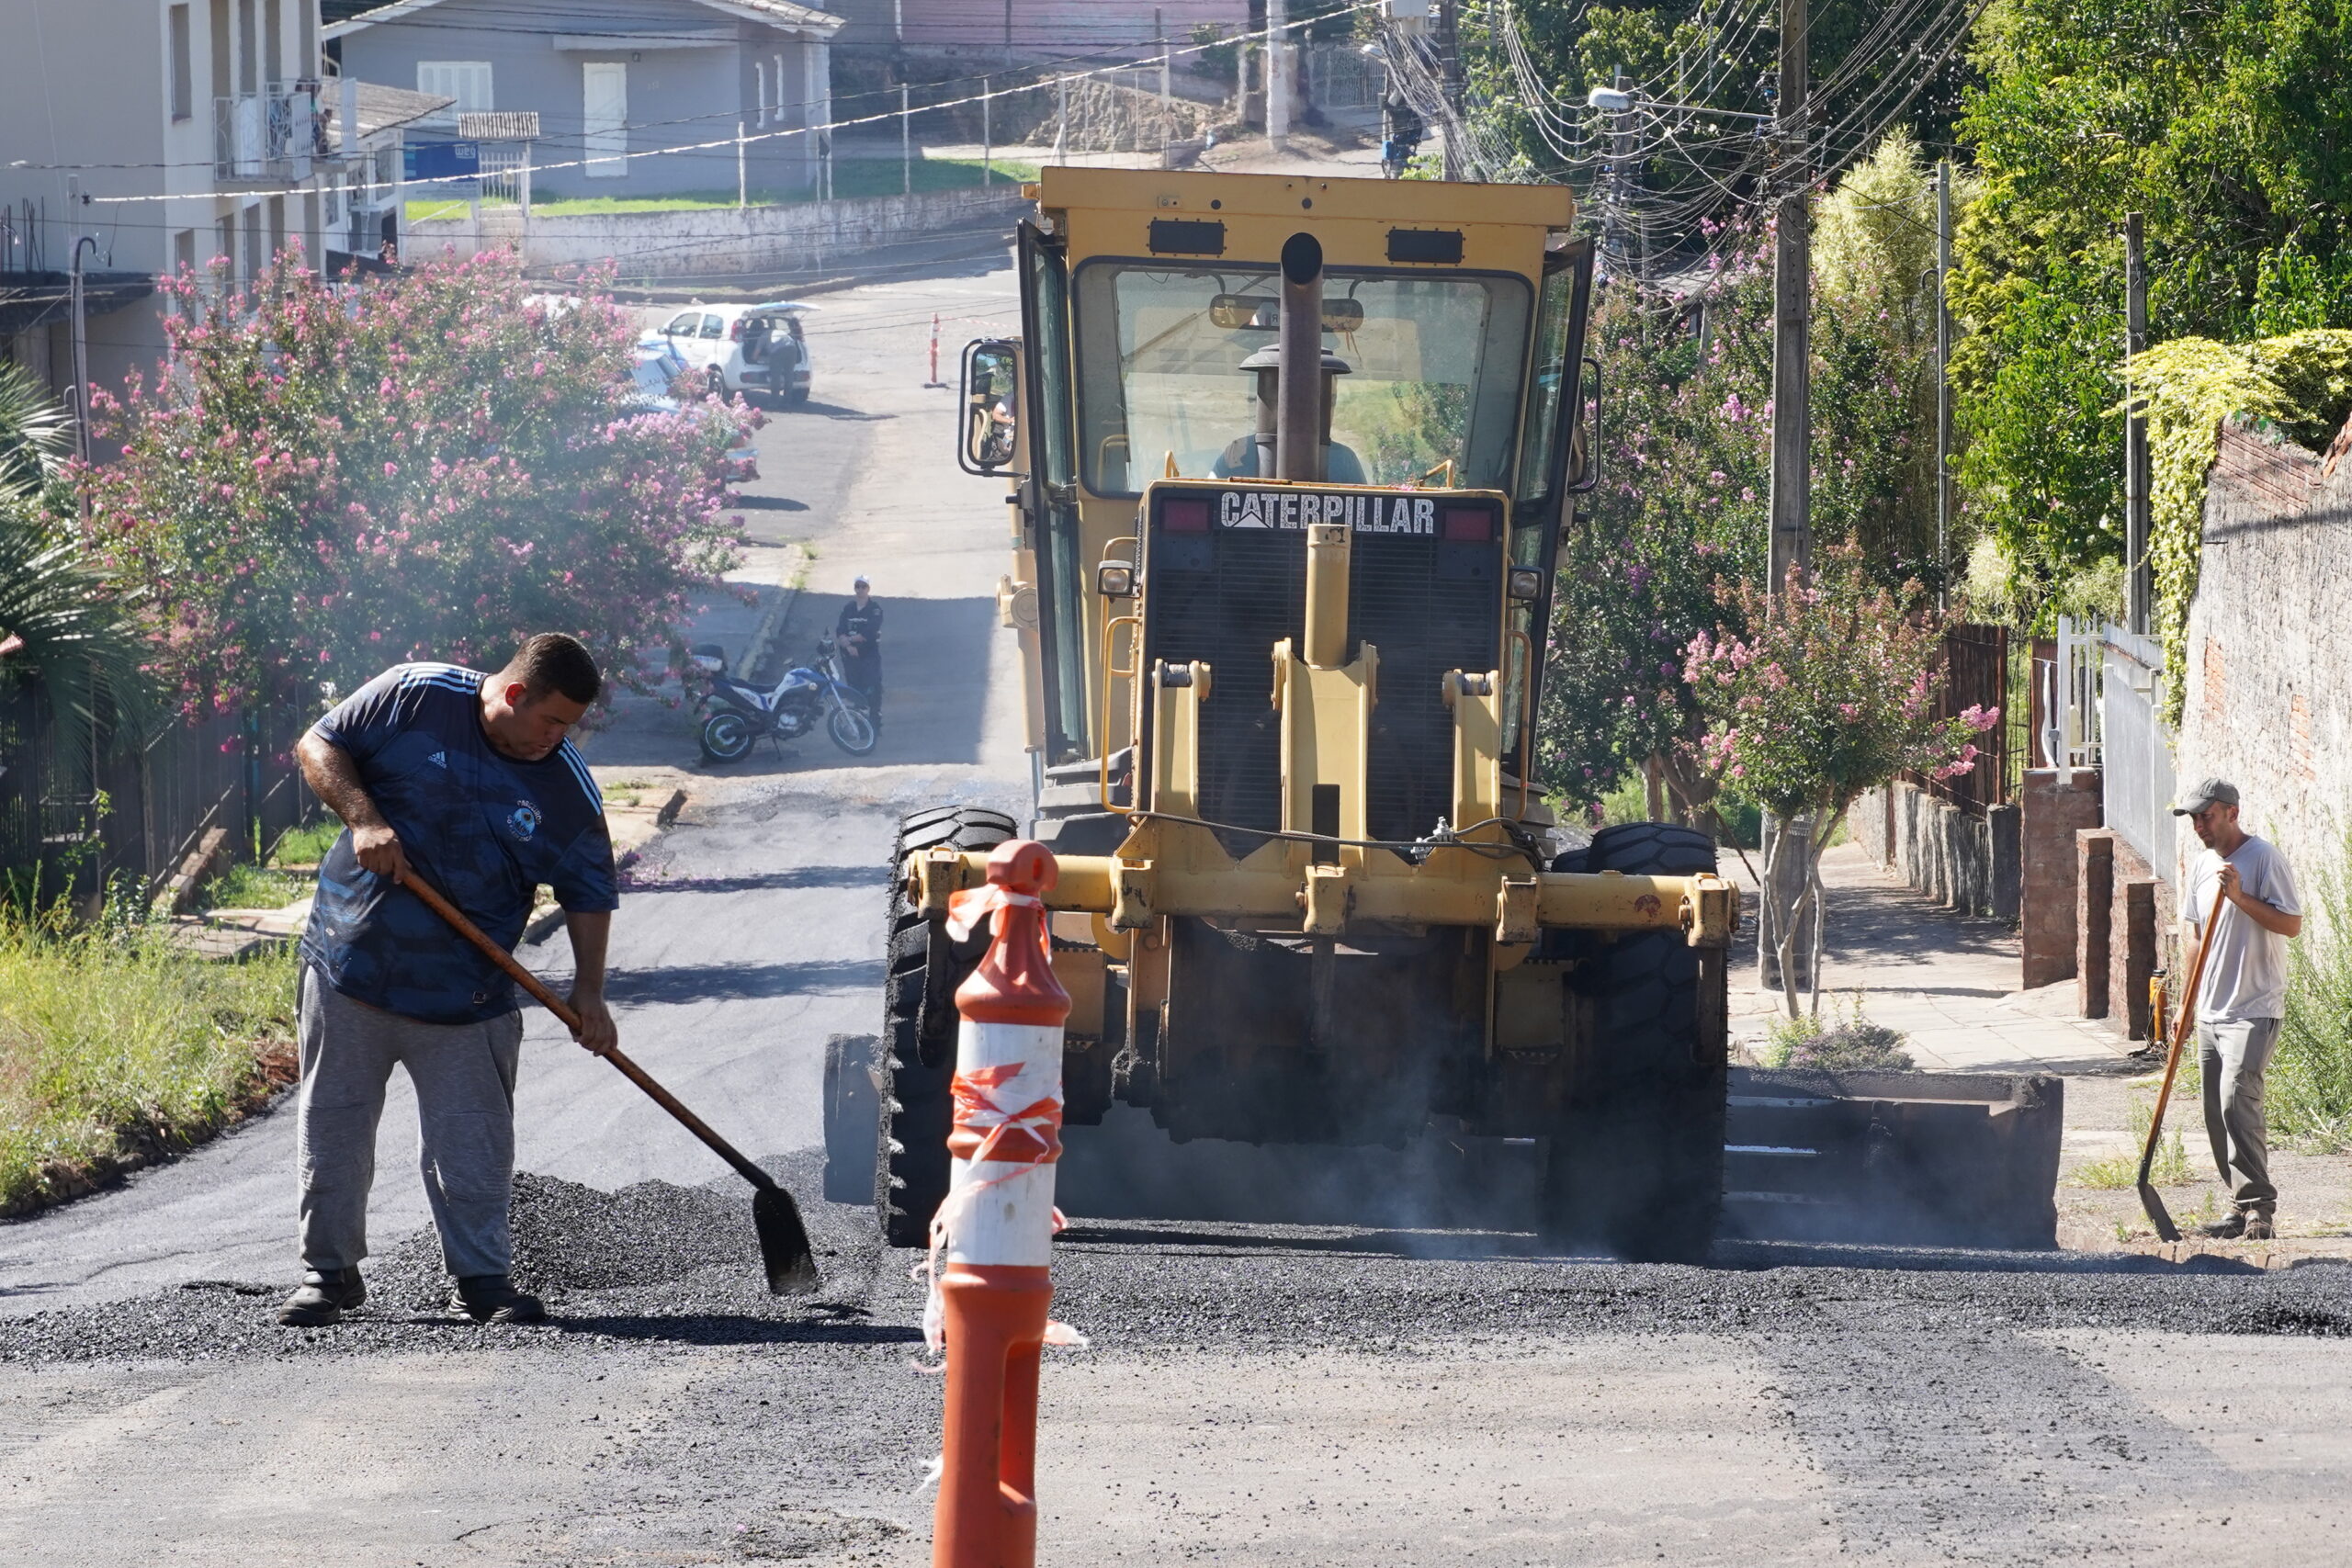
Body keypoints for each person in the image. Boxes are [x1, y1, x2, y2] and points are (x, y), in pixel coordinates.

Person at [278, 634, 620, 1327]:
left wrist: (589, 992)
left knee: (474, 1141)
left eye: (570, 727)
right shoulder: (416, 695)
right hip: (350, 967)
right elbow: (319, 746)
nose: (557, 738)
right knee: (334, 1128)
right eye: (551, 721)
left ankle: (483, 1281)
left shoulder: (564, 785)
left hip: (469, 994)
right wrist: (365, 820)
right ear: (515, 694)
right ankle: (329, 1273)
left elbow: (588, 889)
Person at [2173, 778, 2302, 1242]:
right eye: (2193, 817)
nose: (2198, 825)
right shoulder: (2203, 864)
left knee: (2236, 1101)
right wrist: (2186, 1003)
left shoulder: (2263, 858)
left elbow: (2291, 925)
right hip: (2209, 1007)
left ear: (2231, 811)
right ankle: (2239, 1203)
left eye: (2205, 816)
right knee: (2214, 1111)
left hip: (2254, 1006)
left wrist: (2241, 898)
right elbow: (2193, 936)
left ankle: (2258, 1208)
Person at [1211, 344, 1370, 484]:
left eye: (1330, 401)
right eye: (1313, 401)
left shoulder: (1343, 460)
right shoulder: (1236, 455)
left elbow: (1367, 513)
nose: (1326, 410)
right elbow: (1207, 496)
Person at [835, 576, 884, 728]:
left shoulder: (874, 609)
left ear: (868, 588)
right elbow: (840, 628)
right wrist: (847, 645)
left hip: (868, 655)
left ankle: (875, 720)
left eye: (863, 587)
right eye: (857, 586)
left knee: (873, 686)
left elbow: (870, 632)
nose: (860, 590)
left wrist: (851, 640)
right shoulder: (849, 608)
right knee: (855, 689)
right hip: (849, 656)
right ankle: (859, 722)